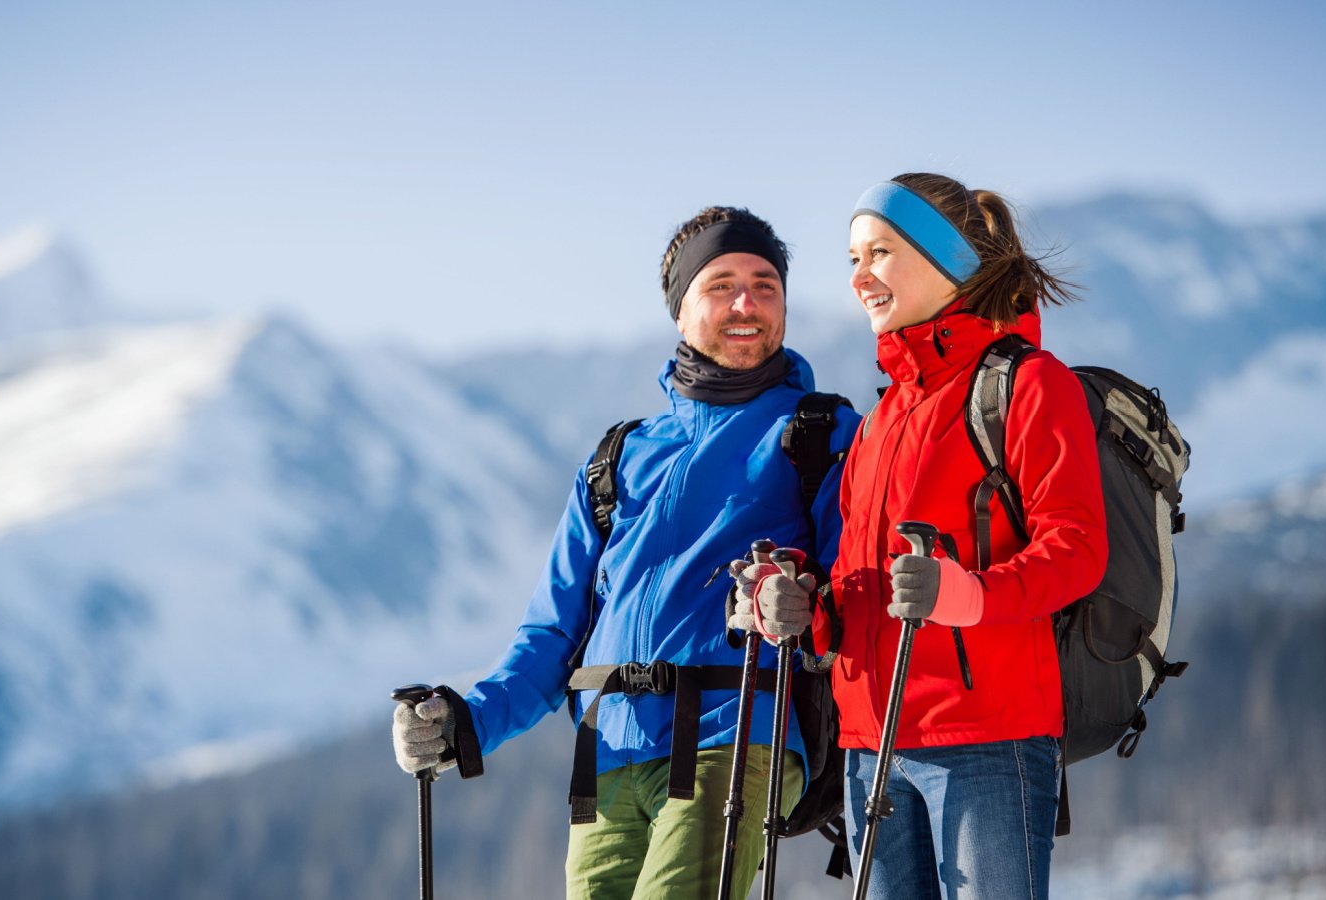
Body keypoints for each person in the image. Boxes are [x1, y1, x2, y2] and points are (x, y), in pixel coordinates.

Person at [391, 206, 860, 898]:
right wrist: (467, 721)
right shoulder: (619, 458)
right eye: (721, 283)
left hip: (735, 736)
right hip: (608, 757)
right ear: (679, 309)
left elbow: (851, 586)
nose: (746, 304)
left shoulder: (819, 433)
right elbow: (552, 637)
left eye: (766, 285)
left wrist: (799, 594)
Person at [734, 173, 1107, 899]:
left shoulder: (1028, 386)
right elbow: (857, 587)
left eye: (879, 253)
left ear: (948, 262)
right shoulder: (882, 421)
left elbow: (1079, 549)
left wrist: (967, 595)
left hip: (988, 741)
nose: (860, 277)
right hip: (869, 746)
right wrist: (802, 609)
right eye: (851, 259)